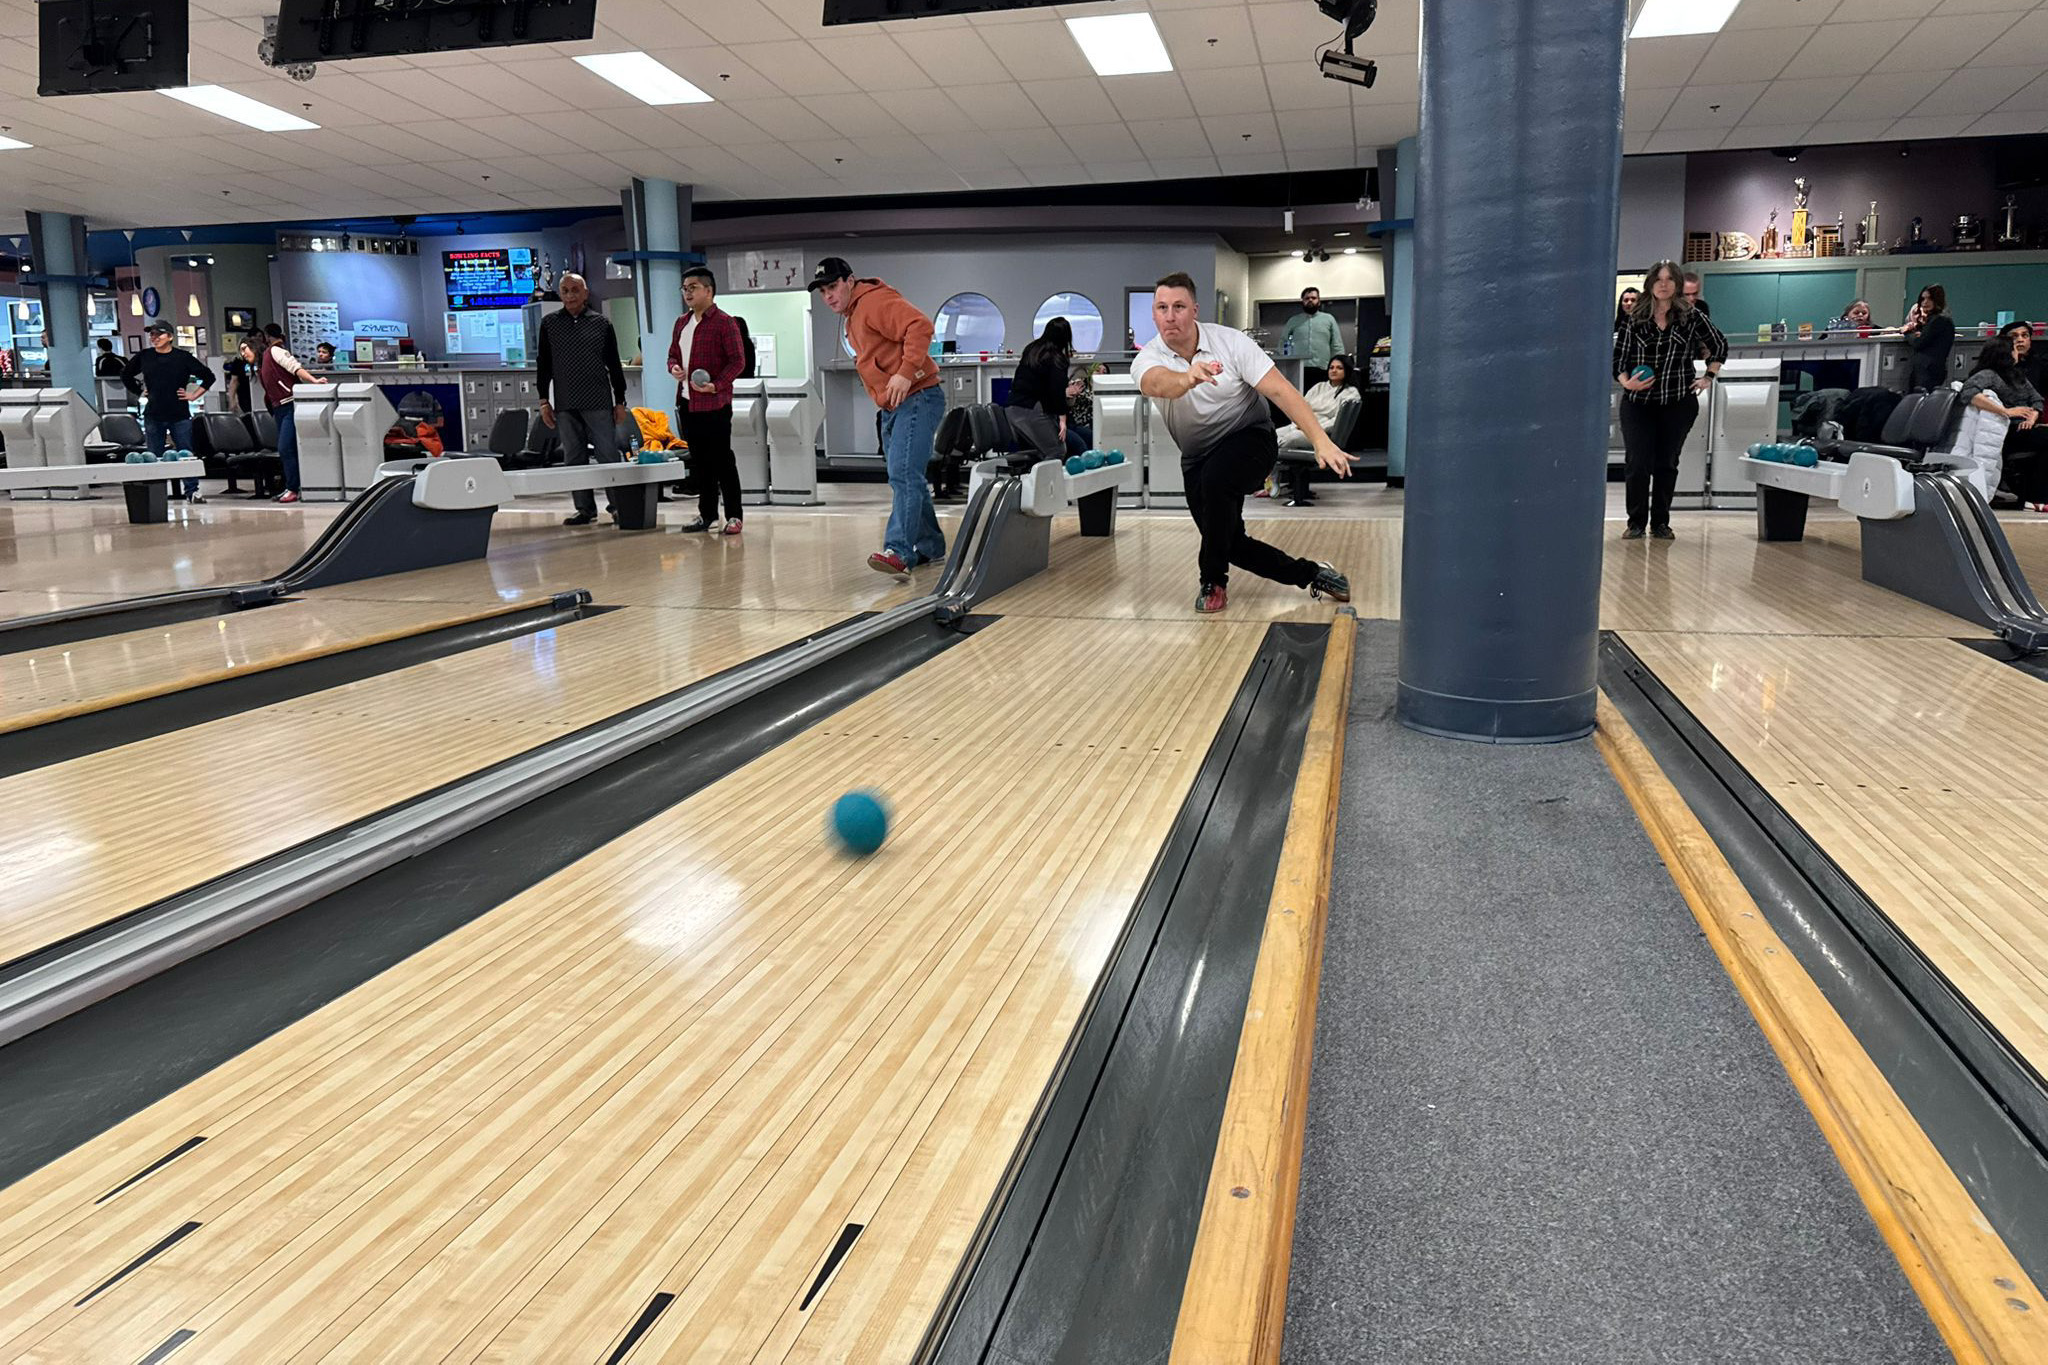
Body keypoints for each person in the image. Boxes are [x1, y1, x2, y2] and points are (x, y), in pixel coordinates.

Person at [1132, 272, 1353, 614]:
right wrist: (1188, 377)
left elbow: (1281, 391)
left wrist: (1320, 440)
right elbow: (1157, 384)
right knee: (1229, 543)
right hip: (1197, 457)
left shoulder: (1231, 343)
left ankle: (1213, 583)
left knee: (1216, 483)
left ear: (1194, 310)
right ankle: (1315, 574)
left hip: (1251, 439)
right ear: (1154, 314)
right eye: (1162, 307)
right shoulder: (1148, 357)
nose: (1170, 315)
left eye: (1179, 306)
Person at [810, 256, 945, 579]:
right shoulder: (852, 315)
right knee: (904, 476)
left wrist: (904, 373)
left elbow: (920, 326)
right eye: (823, 292)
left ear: (849, 281)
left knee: (904, 476)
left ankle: (898, 552)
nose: (828, 296)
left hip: (918, 396)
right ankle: (931, 545)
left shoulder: (873, 302)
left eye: (832, 287)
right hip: (895, 404)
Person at [1614, 260, 1729, 541]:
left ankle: (1661, 523)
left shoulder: (1690, 317)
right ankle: (1636, 522)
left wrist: (1708, 377)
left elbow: (1720, 345)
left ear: (1677, 284)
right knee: (1638, 463)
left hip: (1677, 402)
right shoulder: (1635, 318)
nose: (1663, 284)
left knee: (1666, 463)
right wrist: (1626, 381)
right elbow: (1618, 357)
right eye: (1658, 279)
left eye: (1669, 279)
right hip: (1638, 403)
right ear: (1650, 284)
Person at [536, 271, 629, 527]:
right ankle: (584, 509)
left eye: (575, 290)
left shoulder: (601, 324)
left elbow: (614, 364)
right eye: (565, 291)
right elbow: (543, 364)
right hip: (565, 402)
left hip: (598, 400)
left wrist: (620, 400)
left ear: (586, 293)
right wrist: (544, 400)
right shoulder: (549, 324)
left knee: (608, 455)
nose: (570, 295)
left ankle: (619, 507)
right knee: (573, 457)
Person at [667, 266, 747, 535]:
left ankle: (734, 516)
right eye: (684, 288)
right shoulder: (682, 323)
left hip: (715, 404)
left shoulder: (725, 322)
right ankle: (707, 515)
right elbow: (673, 355)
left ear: (709, 290)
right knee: (701, 462)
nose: (687, 293)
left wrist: (717, 385)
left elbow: (738, 361)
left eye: (693, 287)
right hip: (687, 403)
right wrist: (674, 368)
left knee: (722, 460)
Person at [122, 320, 214, 503]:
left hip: (179, 413)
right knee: (153, 455)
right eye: (152, 335)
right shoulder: (145, 356)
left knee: (185, 453)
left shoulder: (182, 357)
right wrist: (140, 391)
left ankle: (192, 491)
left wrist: (193, 395)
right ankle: (156, 494)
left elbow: (208, 376)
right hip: (153, 413)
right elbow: (126, 374)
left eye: (159, 334)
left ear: (170, 337)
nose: (154, 338)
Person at [1958, 336, 2046, 505]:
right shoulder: (1987, 375)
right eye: (2013, 348)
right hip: (2005, 429)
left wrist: (2032, 417)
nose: (2016, 352)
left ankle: (2036, 493)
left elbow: (2036, 399)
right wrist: (2006, 411)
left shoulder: (2017, 375)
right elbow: (1968, 393)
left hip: (2025, 425)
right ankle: (2037, 496)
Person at [1275, 353, 1361, 507]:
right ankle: (1273, 474)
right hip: (1301, 425)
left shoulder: (1351, 393)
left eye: (1339, 368)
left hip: (1321, 433)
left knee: (1290, 439)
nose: (1334, 371)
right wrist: (1300, 422)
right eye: (1331, 367)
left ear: (1347, 371)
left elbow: (1336, 422)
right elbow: (1302, 407)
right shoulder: (1318, 387)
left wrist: (1313, 429)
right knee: (1271, 436)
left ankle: (1273, 476)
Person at [257, 327, 328, 503]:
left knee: (286, 447)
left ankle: (293, 488)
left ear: (266, 337)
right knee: (288, 448)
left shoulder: (276, 351)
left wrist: (314, 381)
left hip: (289, 404)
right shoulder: (267, 355)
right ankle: (291, 486)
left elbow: (295, 368)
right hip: (280, 407)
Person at [1004, 316, 1075, 460]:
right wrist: (1062, 419)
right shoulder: (1057, 359)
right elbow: (1057, 392)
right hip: (1030, 410)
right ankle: (1045, 483)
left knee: (1042, 450)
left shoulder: (1032, 349)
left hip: (1012, 408)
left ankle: (1035, 481)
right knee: (1057, 451)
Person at [1282, 287, 1342, 389]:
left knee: (1322, 400)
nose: (1310, 300)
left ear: (1319, 301)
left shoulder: (1329, 319)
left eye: (1313, 298)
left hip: (1323, 368)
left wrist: (1339, 366)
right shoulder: (1293, 321)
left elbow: (1336, 345)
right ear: (1302, 301)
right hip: (1299, 370)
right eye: (1307, 298)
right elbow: (1283, 342)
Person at [1900, 284, 1955, 392]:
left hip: (1928, 371)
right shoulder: (1938, 320)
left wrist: (1907, 332)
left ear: (1937, 299)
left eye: (1929, 298)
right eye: (1923, 299)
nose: (1925, 302)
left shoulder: (1939, 320)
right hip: (1929, 370)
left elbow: (1919, 343)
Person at [1065, 363, 1101, 459]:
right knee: (1080, 445)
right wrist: (1066, 393)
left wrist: (1071, 395)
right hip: (1055, 422)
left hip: (1068, 422)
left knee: (1091, 436)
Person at [222, 336, 257, 414]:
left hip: (258, 392)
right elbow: (234, 381)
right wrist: (232, 400)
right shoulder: (238, 362)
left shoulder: (258, 360)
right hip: (244, 394)